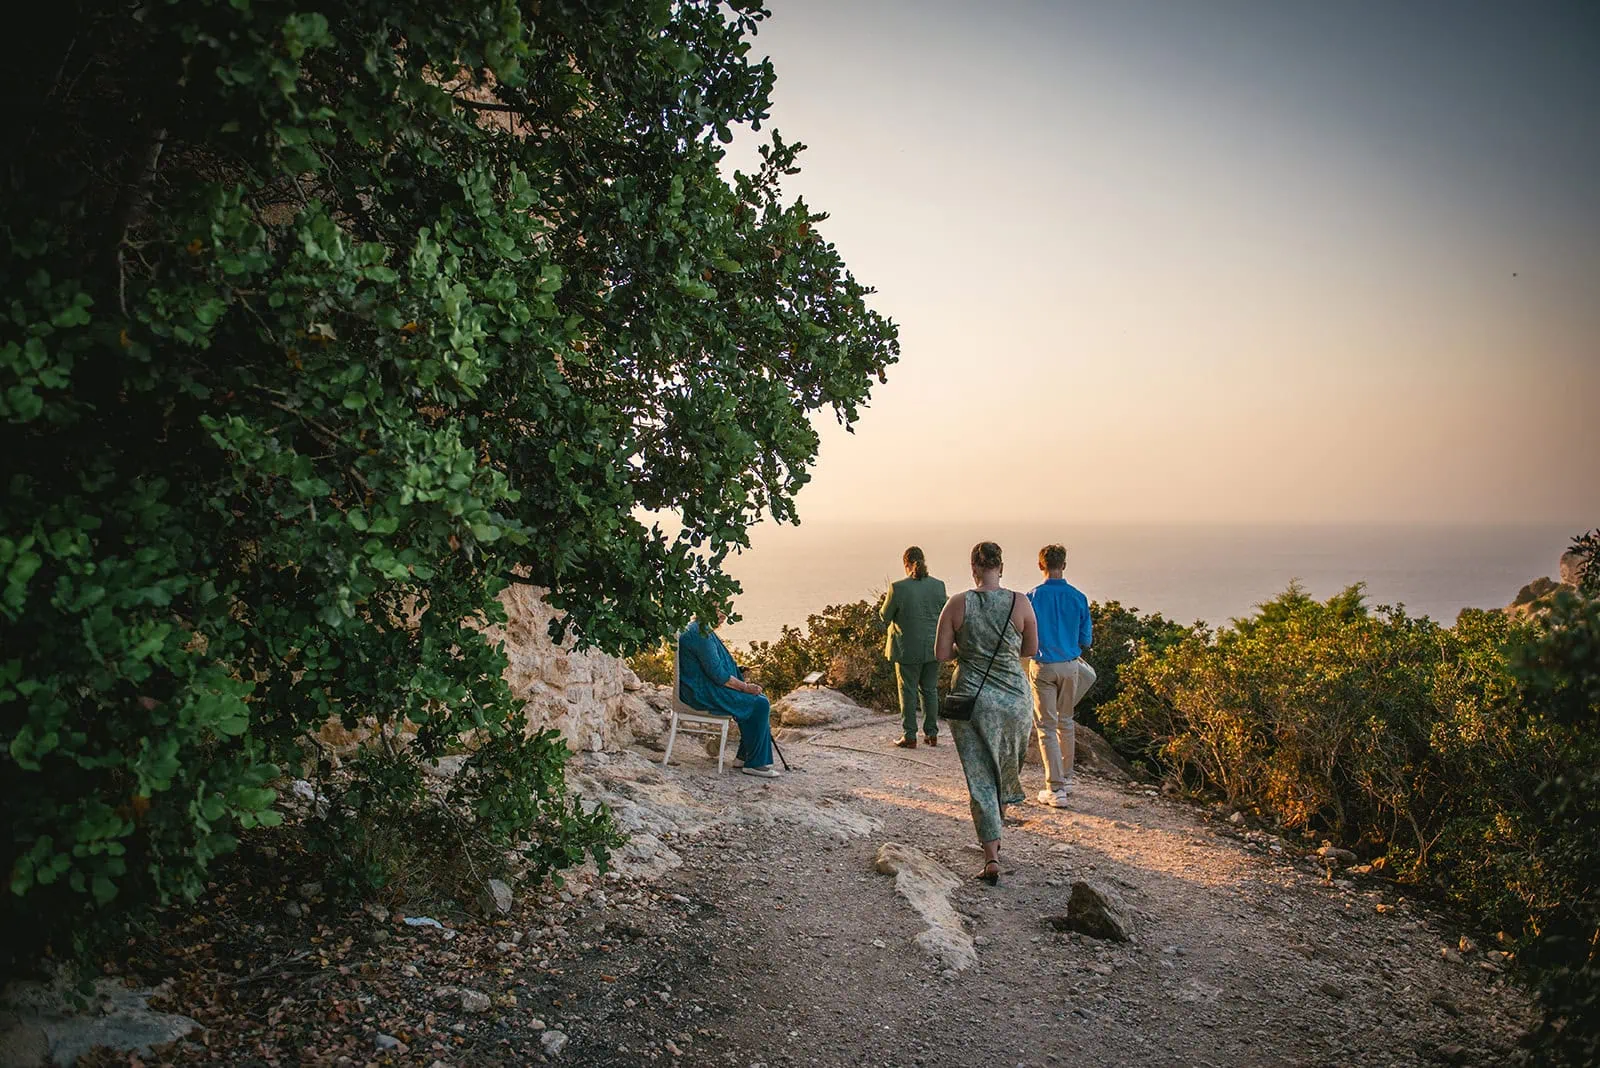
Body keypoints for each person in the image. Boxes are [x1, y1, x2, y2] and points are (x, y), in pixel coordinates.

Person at [935, 541, 1038, 885]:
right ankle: (997, 828)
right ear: (1001, 567)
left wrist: (968, 649)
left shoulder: (957, 604)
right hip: (1014, 701)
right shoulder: (1020, 602)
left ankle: (991, 855)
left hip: (971, 698)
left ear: (974, 569)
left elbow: (941, 654)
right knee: (1004, 768)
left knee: (980, 777)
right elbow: (1031, 649)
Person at [1026, 543, 1095, 808]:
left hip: (1043, 665)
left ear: (1040, 565)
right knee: (1066, 722)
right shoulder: (1078, 597)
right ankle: (1066, 779)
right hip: (1070, 665)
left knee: (1045, 726)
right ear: (1063, 565)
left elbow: (1023, 634)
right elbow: (1085, 639)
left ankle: (1055, 789)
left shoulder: (1031, 598)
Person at [677, 614, 779, 779]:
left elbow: (710, 665)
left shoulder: (699, 628)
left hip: (701, 685)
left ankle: (743, 757)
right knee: (759, 704)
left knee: (758, 700)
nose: (723, 615)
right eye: (718, 609)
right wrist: (745, 687)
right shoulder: (701, 633)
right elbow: (718, 675)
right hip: (700, 692)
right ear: (705, 608)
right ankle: (756, 764)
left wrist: (738, 670)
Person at [879, 546, 948, 748]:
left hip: (906, 648)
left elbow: (885, 616)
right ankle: (931, 734)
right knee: (930, 690)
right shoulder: (938, 586)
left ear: (906, 564)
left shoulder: (898, 588)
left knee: (908, 691)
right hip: (933, 646)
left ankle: (910, 735)